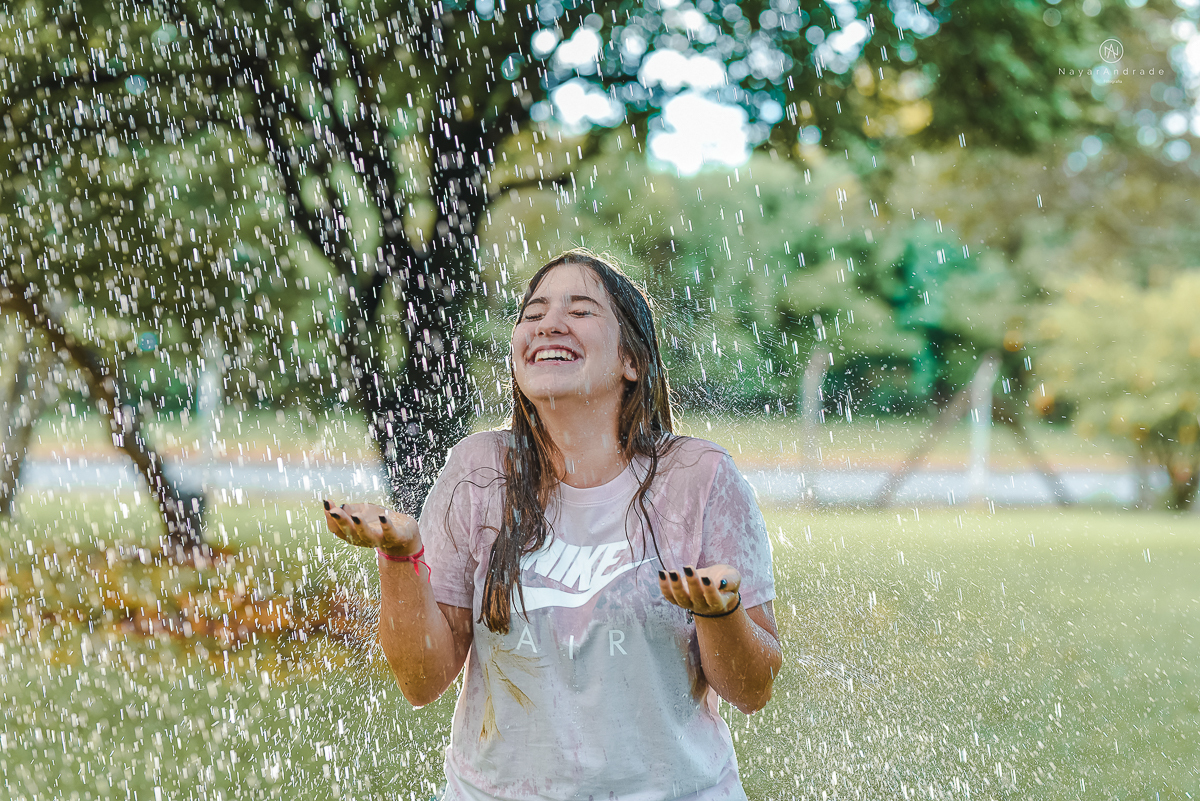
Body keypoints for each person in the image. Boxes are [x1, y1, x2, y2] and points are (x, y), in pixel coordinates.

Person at [323, 249, 781, 800]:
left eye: (581, 310)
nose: (549, 323)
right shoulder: (478, 472)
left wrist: (720, 614)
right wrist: (401, 559)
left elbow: (751, 690)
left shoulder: (700, 477)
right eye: (533, 312)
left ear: (631, 361)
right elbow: (421, 682)